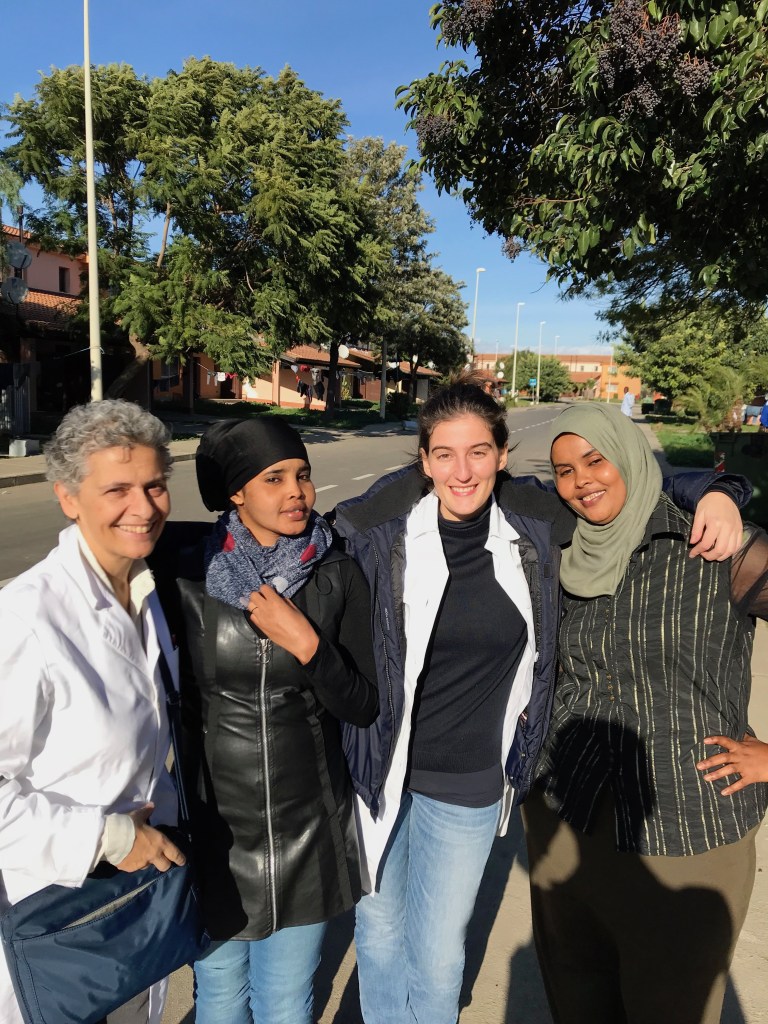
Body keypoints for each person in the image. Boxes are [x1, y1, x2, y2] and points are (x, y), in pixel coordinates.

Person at [330, 372, 747, 1024]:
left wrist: (720, 490)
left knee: (436, 958)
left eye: (478, 452)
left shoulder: (533, 528)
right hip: (384, 773)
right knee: (380, 936)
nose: (462, 470)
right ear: (423, 462)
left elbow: (634, 483)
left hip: (473, 786)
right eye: (444, 454)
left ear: (502, 456)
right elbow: (310, 537)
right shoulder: (383, 536)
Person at [523, 402, 768, 1024]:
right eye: (564, 470)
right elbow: (469, 478)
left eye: (596, 460)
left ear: (629, 456)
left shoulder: (717, 544)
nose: (581, 481)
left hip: (688, 831)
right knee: (578, 1006)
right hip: (567, 822)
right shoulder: (561, 549)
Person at [151, 418, 378, 1024]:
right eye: (273, 478)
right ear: (235, 493)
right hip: (215, 830)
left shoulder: (336, 574)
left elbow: (362, 704)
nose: (296, 492)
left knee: (284, 1001)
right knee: (220, 993)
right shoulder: (184, 572)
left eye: (302, 475)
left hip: (309, 828)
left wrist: (309, 645)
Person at [0, 399, 184, 1024]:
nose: (144, 508)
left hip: (127, 905)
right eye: (117, 490)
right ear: (68, 498)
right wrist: (108, 837)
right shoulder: (28, 619)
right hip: (53, 915)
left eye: (154, 485)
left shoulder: (146, 591)